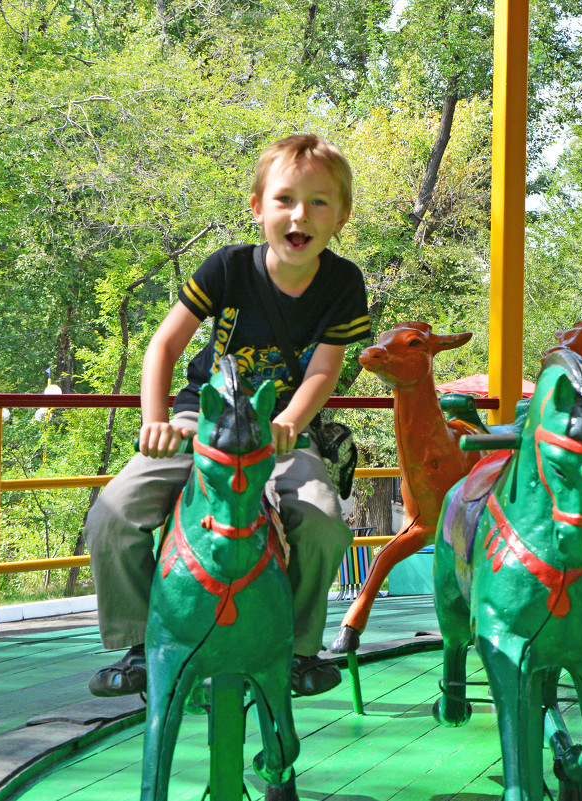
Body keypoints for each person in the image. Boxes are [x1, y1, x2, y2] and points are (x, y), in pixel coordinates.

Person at [85, 133, 370, 697]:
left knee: (320, 522)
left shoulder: (343, 284)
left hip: (283, 433)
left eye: (318, 202)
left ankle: (296, 649)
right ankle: (142, 643)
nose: (300, 214)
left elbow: (324, 371)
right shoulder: (227, 269)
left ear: (340, 217)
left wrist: (291, 419)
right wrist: (156, 421)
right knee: (112, 515)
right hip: (203, 422)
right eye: (285, 199)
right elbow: (164, 346)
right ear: (258, 208)